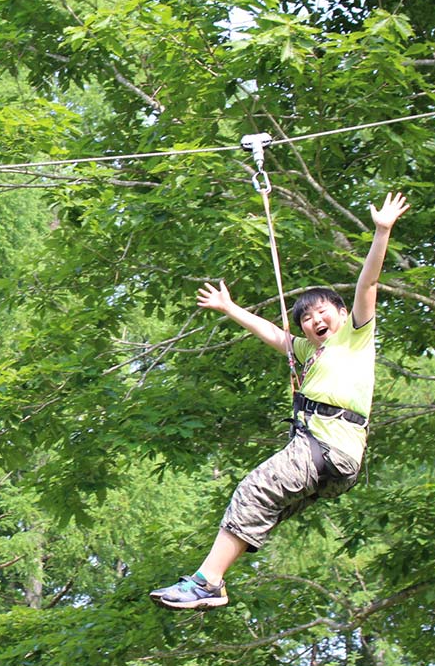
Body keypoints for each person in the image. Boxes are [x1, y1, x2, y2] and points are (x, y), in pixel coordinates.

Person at [150, 191, 410, 610]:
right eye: (306, 318)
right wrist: (230, 307)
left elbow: (368, 284)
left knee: (253, 490)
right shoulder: (309, 353)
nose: (314, 321)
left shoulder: (354, 338)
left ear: (342, 314)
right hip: (333, 465)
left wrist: (381, 232)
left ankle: (206, 582)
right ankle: (211, 582)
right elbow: (272, 333)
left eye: (321, 312)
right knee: (258, 511)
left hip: (328, 449)